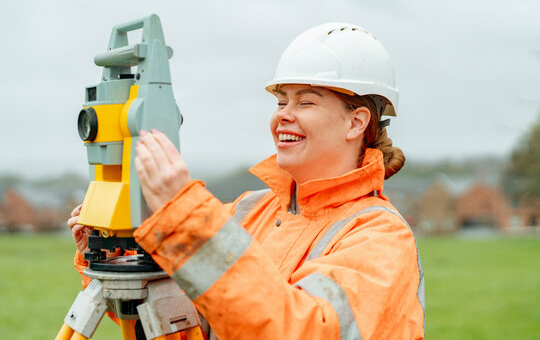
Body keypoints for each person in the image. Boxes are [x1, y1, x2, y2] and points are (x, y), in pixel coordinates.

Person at [69, 22, 425, 339]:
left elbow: (301, 331)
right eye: (282, 101)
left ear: (356, 122)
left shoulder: (379, 237)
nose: (284, 116)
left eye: (306, 103)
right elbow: (180, 325)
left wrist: (185, 214)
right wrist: (117, 259)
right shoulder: (247, 210)